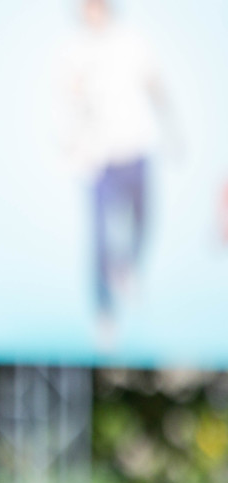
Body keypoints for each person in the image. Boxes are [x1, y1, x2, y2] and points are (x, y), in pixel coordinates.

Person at [57, 0, 173, 347]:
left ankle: (129, 269)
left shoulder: (132, 42)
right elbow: (65, 104)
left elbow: (155, 86)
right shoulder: (73, 51)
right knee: (99, 240)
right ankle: (104, 313)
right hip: (97, 158)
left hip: (134, 149)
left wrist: (172, 128)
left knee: (143, 219)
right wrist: (72, 148)